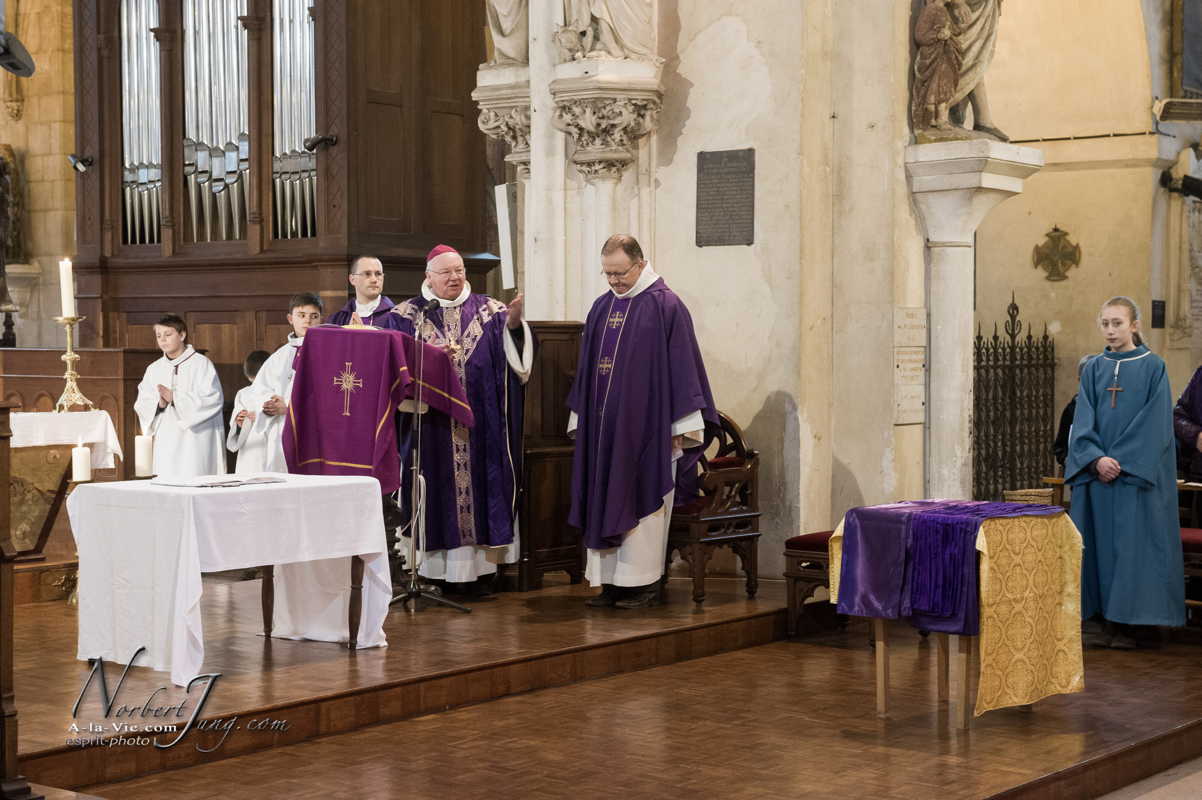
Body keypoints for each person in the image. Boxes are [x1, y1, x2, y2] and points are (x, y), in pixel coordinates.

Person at [567, 234, 717, 609]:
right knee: (604, 496)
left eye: (620, 272)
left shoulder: (666, 306)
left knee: (644, 501)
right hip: (605, 432)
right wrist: (581, 418)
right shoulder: (601, 308)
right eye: (608, 274)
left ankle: (644, 583)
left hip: (649, 430)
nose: (614, 280)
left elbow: (684, 370)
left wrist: (681, 429)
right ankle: (611, 583)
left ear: (639, 263)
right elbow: (587, 371)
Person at [389, 244, 533, 598]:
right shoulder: (407, 317)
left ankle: (482, 573)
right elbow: (394, 370)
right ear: (429, 278)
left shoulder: (491, 311)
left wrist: (514, 325)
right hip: (432, 429)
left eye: (459, 271)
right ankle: (437, 573)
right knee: (435, 494)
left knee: (485, 491)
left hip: (481, 427)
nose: (455, 278)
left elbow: (519, 365)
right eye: (446, 273)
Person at [1065, 296, 1185, 648]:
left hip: (1135, 478)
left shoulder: (1154, 367)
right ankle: (1102, 622)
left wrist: (1120, 461)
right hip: (1098, 476)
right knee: (1099, 548)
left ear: (1134, 325)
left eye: (1117, 323)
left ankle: (1136, 625)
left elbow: (1156, 424)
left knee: (1137, 550)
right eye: (1105, 323)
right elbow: (1082, 418)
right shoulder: (1094, 369)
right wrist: (1095, 459)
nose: (1110, 330)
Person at [134, 314, 226, 479]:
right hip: (167, 437)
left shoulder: (201, 364)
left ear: (182, 335)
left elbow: (213, 399)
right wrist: (159, 405)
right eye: (158, 336)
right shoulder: (154, 369)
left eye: (168, 335)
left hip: (197, 440)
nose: (162, 340)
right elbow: (142, 403)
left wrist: (175, 398)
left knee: (197, 481)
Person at [252, 292, 323, 472]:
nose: (307, 321)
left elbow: (329, 394)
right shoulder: (278, 357)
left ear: (321, 319)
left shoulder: (328, 353)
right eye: (301, 315)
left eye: (314, 316)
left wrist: (289, 408)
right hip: (281, 429)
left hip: (314, 431)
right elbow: (259, 390)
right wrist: (269, 403)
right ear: (290, 318)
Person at [326, 255, 402, 329]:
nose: (374, 280)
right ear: (352, 279)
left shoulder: (397, 317)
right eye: (367, 274)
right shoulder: (338, 318)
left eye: (378, 274)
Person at [227, 349, 271, 473]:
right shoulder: (243, 393)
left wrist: (261, 417)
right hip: (249, 444)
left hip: (267, 442)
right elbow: (235, 421)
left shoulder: (275, 392)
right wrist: (239, 419)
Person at [1052, 355, 1094, 470]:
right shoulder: (1073, 408)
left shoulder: (1112, 406)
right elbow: (1060, 446)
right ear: (1079, 380)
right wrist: (1067, 459)